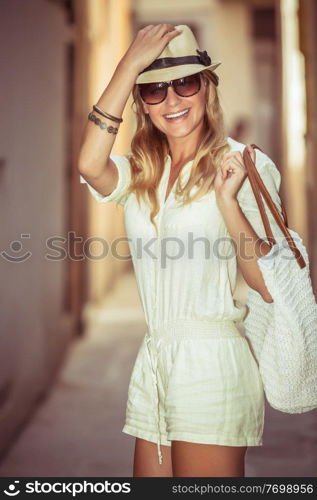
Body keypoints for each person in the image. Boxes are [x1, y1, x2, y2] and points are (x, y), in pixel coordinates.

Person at [78, 24, 284, 477]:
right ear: (142, 103)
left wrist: (228, 201)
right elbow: (90, 164)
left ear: (206, 88)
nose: (172, 102)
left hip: (211, 363)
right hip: (155, 361)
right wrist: (127, 66)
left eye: (185, 83)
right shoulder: (142, 172)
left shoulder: (244, 164)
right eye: (153, 90)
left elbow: (268, 282)